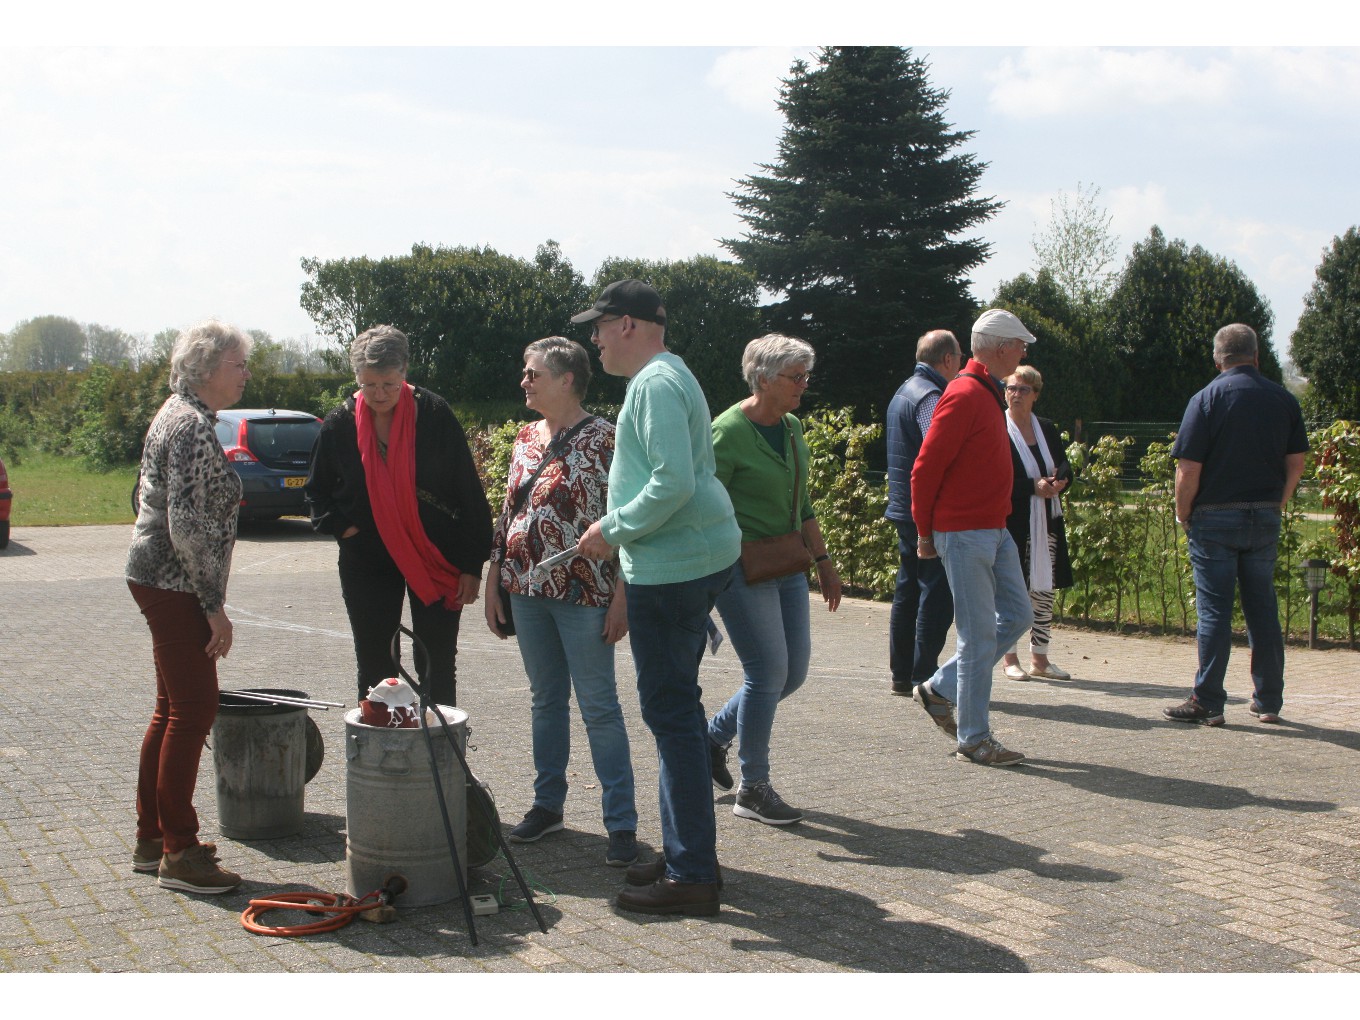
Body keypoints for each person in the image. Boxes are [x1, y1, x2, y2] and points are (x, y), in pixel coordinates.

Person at [574, 279, 741, 918]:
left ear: (628, 326)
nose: (594, 339)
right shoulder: (667, 376)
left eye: (599, 325)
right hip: (685, 562)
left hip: (673, 572)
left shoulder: (655, 384)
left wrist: (609, 530)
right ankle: (684, 854)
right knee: (677, 716)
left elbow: (672, 482)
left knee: (672, 718)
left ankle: (693, 871)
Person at [484, 337, 638, 867]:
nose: (524, 381)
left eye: (533, 374)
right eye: (525, 373)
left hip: (586, 593)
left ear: (567, 378)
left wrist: (623, 596)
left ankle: (621, 824)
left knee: (600, 708)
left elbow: (630, 521)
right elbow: (507, 515)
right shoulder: (525, 437)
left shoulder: (607, 439)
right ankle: (547, 805)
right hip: (527, 592)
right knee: (545, 700)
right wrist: (493, 579)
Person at [126, 319, 252, 894]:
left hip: (155, 577)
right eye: (237, 363)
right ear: (205, 368)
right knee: (195, 709)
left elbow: (144, 498)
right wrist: (212, 605)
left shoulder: (174, 414)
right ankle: (179, 852)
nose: (246, 373)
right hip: (175, 583)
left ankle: (152, 837)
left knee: (169, 707)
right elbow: (189, 527)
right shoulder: (192, 428)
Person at [306, 325, 492, 707]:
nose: (379, 395)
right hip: (367, 561)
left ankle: (442, 755)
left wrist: (472, 564)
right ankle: (381, 757)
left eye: (389, 385)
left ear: (405, 371)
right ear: (356, 377)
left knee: (437, 665)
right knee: (376, 665)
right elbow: (316, 492)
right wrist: (348, 529)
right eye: (369, 384)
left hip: (436, 556)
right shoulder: (338, 424)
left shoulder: (435, 413)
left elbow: (468, 491)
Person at [706, 334, 842, 827]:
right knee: (766, 673)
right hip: (740, 570)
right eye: (796, 377)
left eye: (806, 375)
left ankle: (712, 736)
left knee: (793, 673)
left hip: (787, 563)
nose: (804, 385)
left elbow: (801, 502)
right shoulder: (725, 432)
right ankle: (753, 787)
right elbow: (704, 505)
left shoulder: (791, 427)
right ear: (763, 379)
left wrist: (823, 560)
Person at [909, 308, 1037, 767]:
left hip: (992, 529)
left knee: (1019, 615)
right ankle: (974, 738)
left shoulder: (984, 391)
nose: (1023, 352)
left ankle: (941, 687)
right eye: (1020, 344)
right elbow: (925, 468)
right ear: (1001, 347)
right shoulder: (964, 393)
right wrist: (925, 532)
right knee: (979, 636)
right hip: (964, 533)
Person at [1163, 324, 1308, 727]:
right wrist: (1276, 503)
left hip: (1215, 517)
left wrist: (1183, 513)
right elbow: (1296, 463)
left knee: (1215, 611)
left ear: (1217, 359)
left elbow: (1188, 468)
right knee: (1263, 607)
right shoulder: (1283, 400)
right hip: (1263, 514)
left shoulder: (1206, 399)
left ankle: (1208, 700)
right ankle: (1269, 699)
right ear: (1257, 357)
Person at [885, 330, 962, 697]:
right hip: (926, 510)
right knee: (936, 592)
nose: (960, 365)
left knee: (908, 590)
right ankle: (923, 675)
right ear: (947, 359)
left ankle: (902, 674)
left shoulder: (904, 390)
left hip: (903, 505)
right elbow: (940, 453)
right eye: (958, 357)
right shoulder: (932, 396)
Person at [999, 366, 1074, 682]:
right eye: (1011, 388)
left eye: (1023, 390)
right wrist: (1032, 487)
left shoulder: (1046, 428)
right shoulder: (996, 428)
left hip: (1046, 522)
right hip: (1011, 523)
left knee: (1043, 591)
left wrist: (1062, 479)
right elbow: (996, 478)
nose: (1015, 394)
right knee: (1011, 590)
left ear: (1036, 395)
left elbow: (1062, 461)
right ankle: (1009, 657)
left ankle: (1040, 659)